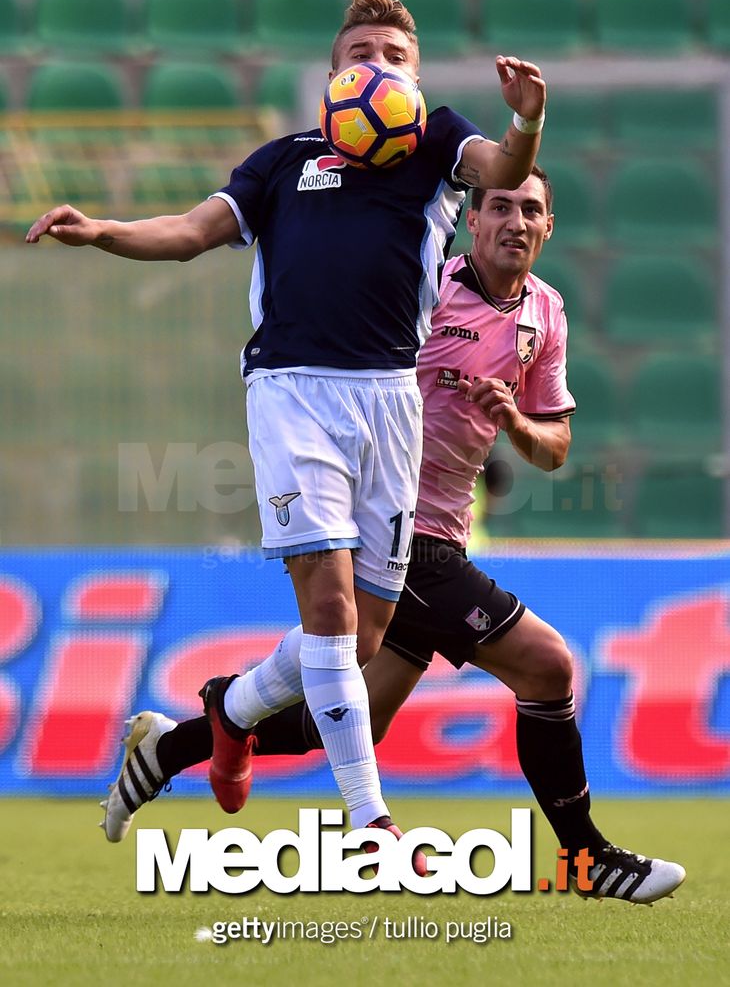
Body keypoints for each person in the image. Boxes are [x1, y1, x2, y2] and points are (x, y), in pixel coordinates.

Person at [26, 0, 547, 848]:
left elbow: (504, 170)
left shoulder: (436, 143)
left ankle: (225, 712)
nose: (378, 67)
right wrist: (106, 230)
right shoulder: (280, 163)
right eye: (360, 55)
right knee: (332, 611)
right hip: (293, 392)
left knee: (363, 631)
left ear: (416, 82)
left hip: (391, 402)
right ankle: (370, 820)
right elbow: (191, 231)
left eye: (395, 58)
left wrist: (526, 120)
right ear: (333, 78)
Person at [95, 167, 685, 905]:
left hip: (443, 533)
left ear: (548, 227)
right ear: (473, 221)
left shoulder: (546, 312)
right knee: (547, 667)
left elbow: (555, 448)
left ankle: (175, 743)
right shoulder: (425, 287)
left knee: (350, 720)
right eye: (500, 206)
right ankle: (587, 857)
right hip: (391, 525)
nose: (515, 221)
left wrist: (513, 421)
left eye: (531, 210)